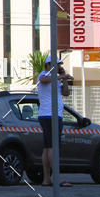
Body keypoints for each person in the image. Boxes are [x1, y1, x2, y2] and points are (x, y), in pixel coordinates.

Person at [37, 55, 70, 188]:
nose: (59, 67)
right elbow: (44, 79)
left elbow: (66, 93)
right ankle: (57, 176)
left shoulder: (56, 79)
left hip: (54, 115)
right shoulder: (44, 75)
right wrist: (60, 77)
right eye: (57, 65)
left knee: (47, 148)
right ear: (49, 65)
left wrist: (65, 79)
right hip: (49, 115)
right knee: (52, 147)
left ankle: (46, 178)